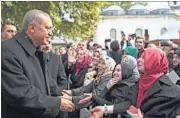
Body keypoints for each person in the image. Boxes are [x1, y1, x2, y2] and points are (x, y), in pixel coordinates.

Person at [2, 9, 74, 118]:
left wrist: (73, 97)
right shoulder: (7, 51)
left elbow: (48, 85)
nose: (51, 33)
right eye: (47, 28)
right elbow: (21, 93)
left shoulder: (35, 52)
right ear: (31, 28)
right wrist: (57, 103)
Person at [90, 48, 180, 118]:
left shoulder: (171, 90)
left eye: (144, 57)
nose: (139, 60)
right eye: (140, 56)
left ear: (154, 61)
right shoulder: (139, 83)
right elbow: (129, 104)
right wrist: (105, 109)